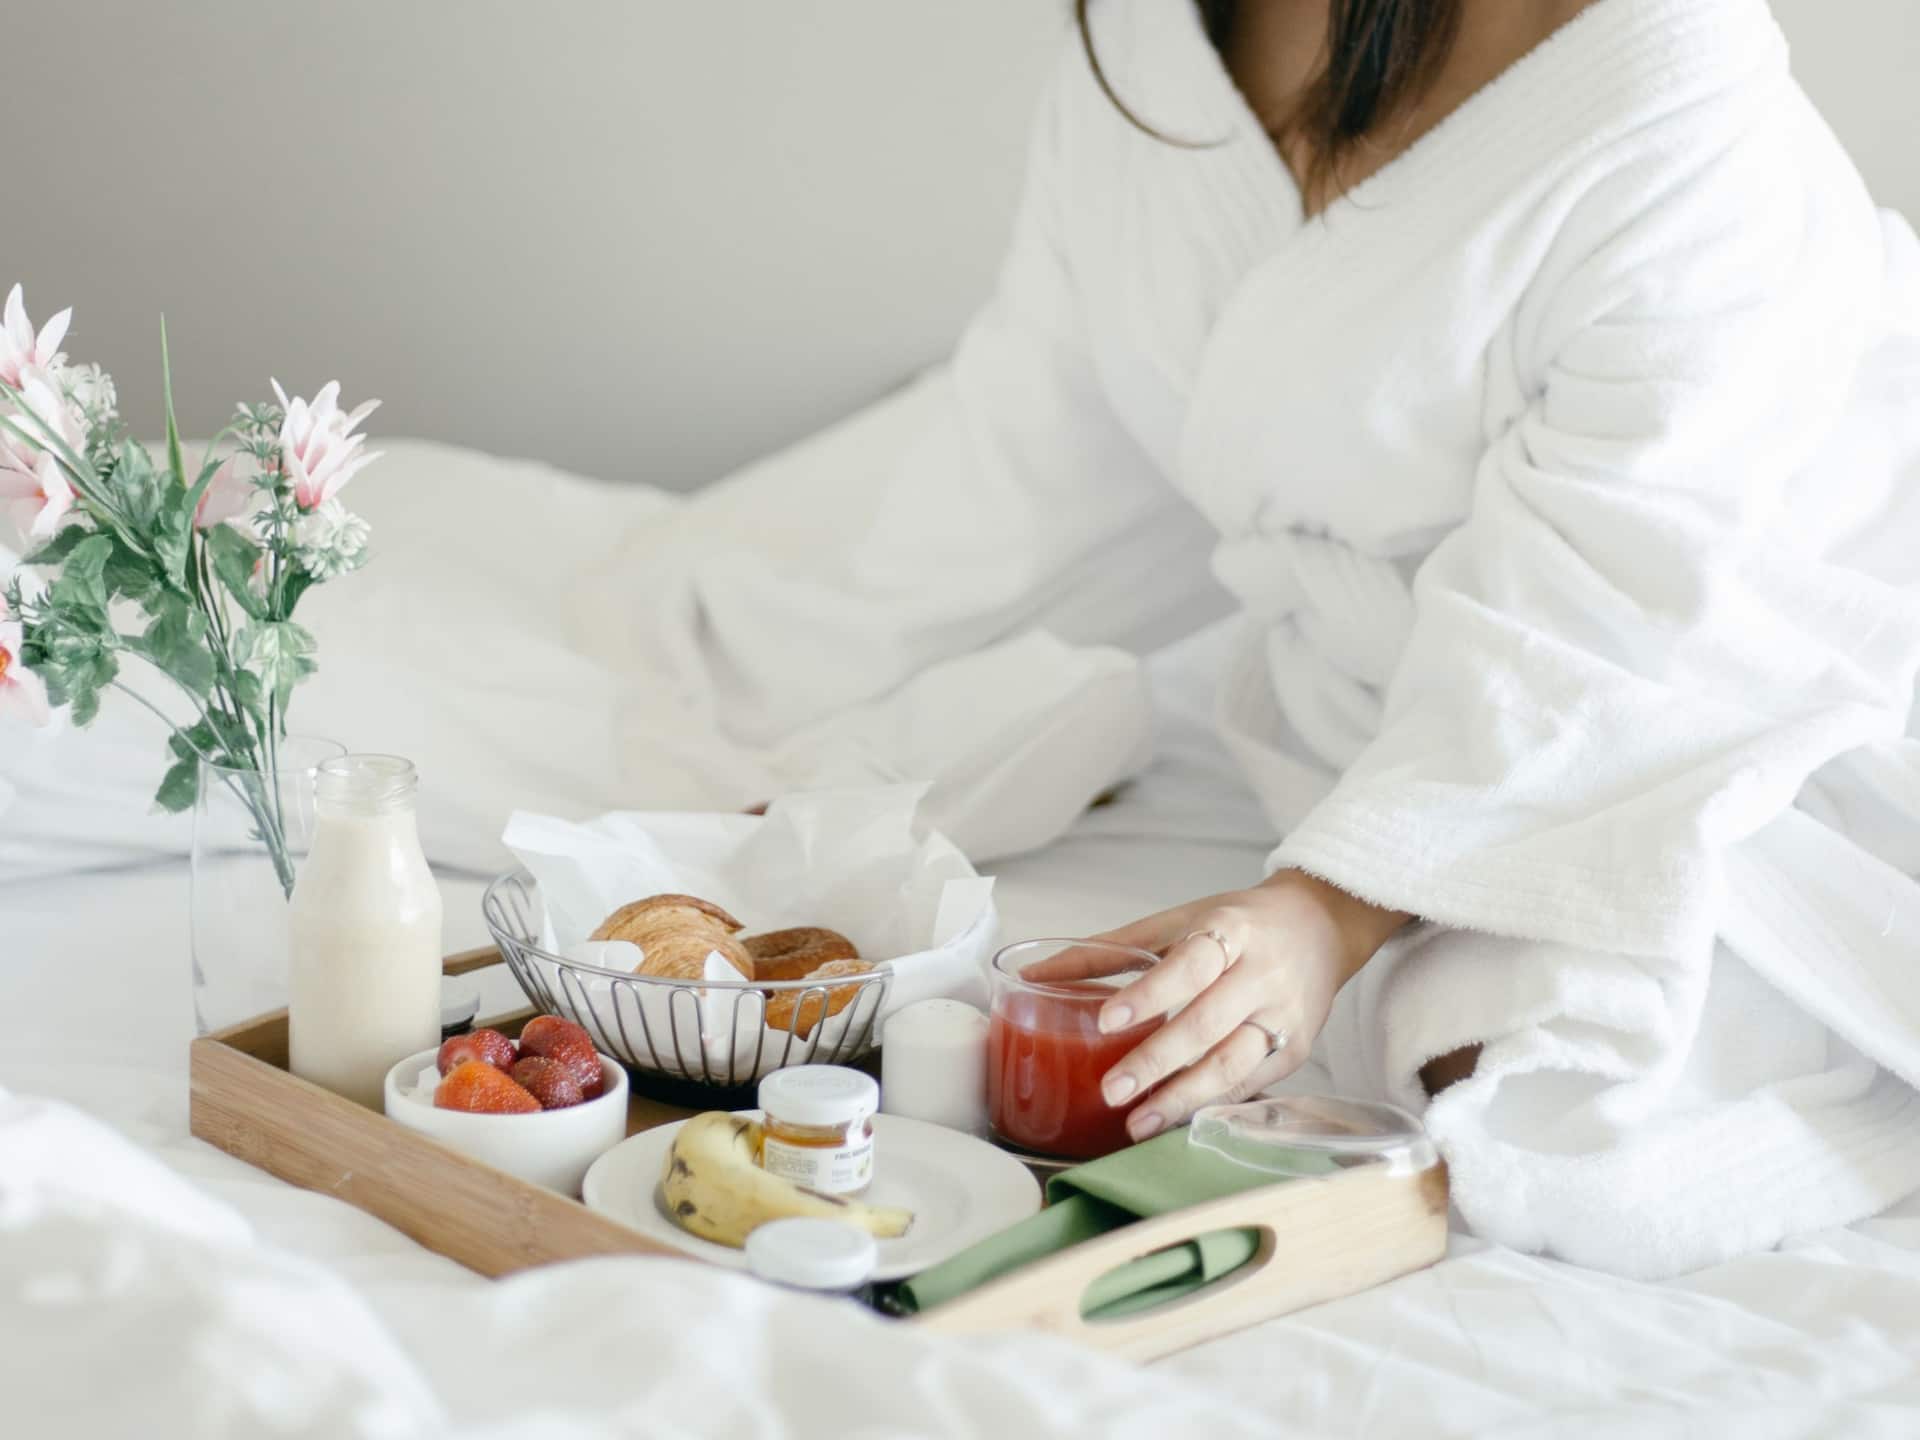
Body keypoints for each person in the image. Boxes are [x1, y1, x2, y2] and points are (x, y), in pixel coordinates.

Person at [609, 0, 1920, 1278]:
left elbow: (1608, 598)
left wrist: (1329, 910)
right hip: (1398, 660)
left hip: (1729, 637)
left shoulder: (1679, 106)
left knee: (1537, 1080)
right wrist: (826, 690)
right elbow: (1054, 441)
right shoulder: (1152, 44)